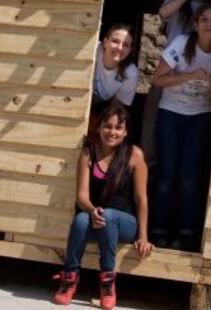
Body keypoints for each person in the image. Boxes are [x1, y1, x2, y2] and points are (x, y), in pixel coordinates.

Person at [52, 104, 152, 308]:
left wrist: (143, 236)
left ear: (125, 132)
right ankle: (69, 278)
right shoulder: (88, 153)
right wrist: (91, 210)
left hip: (125, 223)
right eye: (107, 126)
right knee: (80, 220)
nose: (112, 132)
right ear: (98, 128)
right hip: (97, 218)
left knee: (110, 216)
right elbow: (81, 195)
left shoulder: (135, 155)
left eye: (118, 128)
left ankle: (107, 282)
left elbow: (141, 199)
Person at [150, 3, 211, 251]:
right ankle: (158, 231)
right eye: (203, 19)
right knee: (167, 175)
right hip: (171, 112)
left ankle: (186, 234)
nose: (208, 24)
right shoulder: (182, 43)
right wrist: (190, 75)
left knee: (190, 177)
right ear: (195, 24)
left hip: (200, 115)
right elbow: (157, 79)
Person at [90, 23, 140, 128]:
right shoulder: (91, 50)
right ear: (105, 42)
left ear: (130, 50)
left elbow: (114, 110)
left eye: (126, 45)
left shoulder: (130, 73)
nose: (120, 48)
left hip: (98, 110)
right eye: (115, 41)